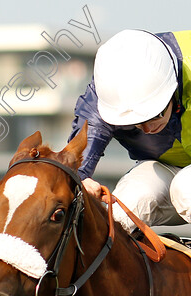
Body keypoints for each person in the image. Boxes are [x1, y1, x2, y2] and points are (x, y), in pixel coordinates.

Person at [70, 29, 191, 234]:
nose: (147, 129)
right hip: (168, 167)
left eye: (154, 115)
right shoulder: (106, 97)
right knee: (125, 209)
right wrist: (79, 180)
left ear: (172, 89)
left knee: (186, 189)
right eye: (136, 122)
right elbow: (76, 166)